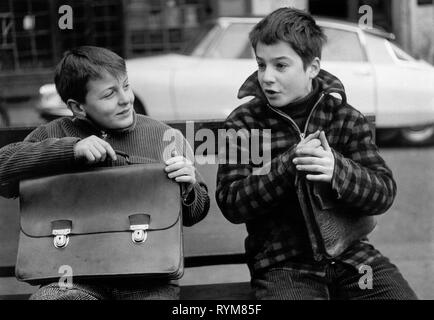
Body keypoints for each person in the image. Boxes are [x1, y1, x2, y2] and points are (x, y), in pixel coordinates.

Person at [216, 7, 417, 300]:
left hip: (353, 259)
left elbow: (384, 192)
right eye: (261, 64)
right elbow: (231, 203)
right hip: (284, 268)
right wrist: (287, 165)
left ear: (312, 67)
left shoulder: (344, 117)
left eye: (280, 66)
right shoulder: (243, 123)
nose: (267, 77)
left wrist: (338, 170)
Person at [0, 46, 210, 300]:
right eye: (109, 94)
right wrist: (70, 150)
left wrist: (189, 187)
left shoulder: (165, 137)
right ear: (78, 107)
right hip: (72, 279)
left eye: (126, 86)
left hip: (148, 279)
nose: (125, 99)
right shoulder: (53, 134)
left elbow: (194, 214)